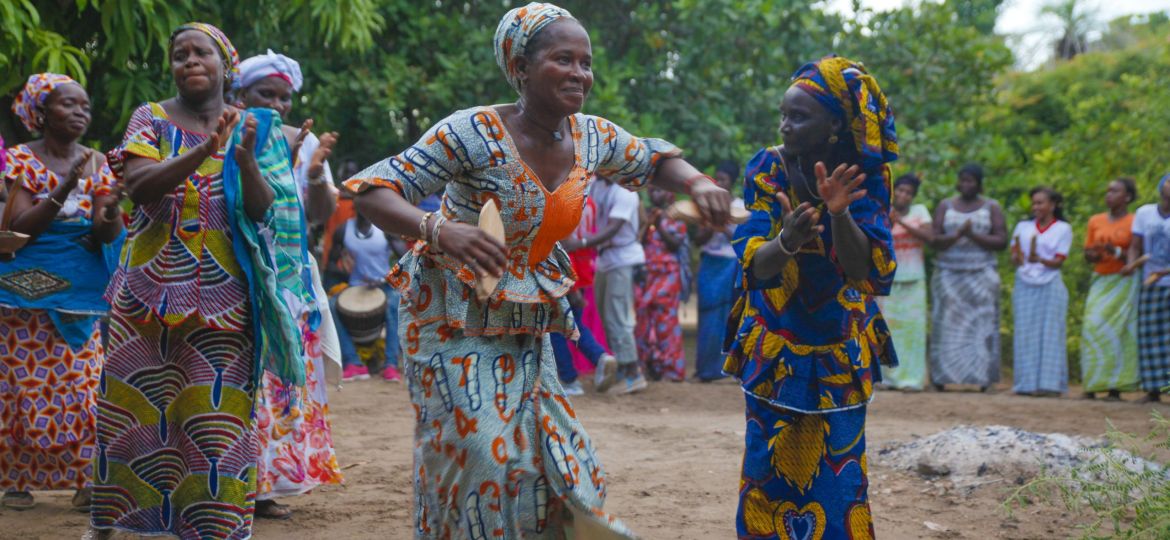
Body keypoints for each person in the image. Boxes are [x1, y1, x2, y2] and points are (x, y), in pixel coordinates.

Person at [345, 4, 731, 537]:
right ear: (521, 67)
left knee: (554, 455)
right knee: (481, 451)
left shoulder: (592, 137)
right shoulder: (471, 132)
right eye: (563, 59)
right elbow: (373, 191)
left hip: (524, 317)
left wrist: (700, 184)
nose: (579, 73)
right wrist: (439, 229)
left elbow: (652, 159)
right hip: (448, 312)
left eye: (586, 62)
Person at [92, 23, 313, 539]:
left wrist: (242, 161)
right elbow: (139, 186)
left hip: (227, 297)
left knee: (217, 420)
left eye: (202, 53)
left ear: (225, 64)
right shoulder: (150, 118)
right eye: (179, 55)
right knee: (132, 412)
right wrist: (202, 151)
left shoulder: (257, 126)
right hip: (145, 295)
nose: (190, 61)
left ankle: (217, 527)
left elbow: (264, 211)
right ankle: (119, 522)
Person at [725, 55, 898, 539]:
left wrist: (839, 213)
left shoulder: (868, 175)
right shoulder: (767, 167)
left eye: (798, 116)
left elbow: (868, 273)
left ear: (835, 125)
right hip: (776, 345)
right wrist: (786, 241)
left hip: (839, 347)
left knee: (841, 477)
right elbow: (754, 267)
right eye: (782, 113)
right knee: (766, 472)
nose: (785, 125)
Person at [0, 73, 123, 511]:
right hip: (20, 299)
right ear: (40, 112)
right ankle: (16, 482)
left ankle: (86, 479)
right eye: (67, 104)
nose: (79, 113)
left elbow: (104, 234)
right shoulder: (18, 161)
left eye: (84, 106)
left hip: (79, 296)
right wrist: (66, 186)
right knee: (20, 388)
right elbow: (20, 229)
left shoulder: (99, 163)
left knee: (83, 386)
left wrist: (113, 210)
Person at [233, 49, 344, 519]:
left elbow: (319, 215)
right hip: (239, 274)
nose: (278, 105)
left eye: (284, 96)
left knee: (281, 381)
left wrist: (315, 173)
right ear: (239, 95)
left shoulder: (302, 138)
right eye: (266, 94)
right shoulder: (228, 133)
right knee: (245, 376)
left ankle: (267, 482)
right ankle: (232, 480)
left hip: (292, 281)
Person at [928, 164, 1009, 391]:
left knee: (982, 325)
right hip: (948, 275)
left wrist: (973, 235)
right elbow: (933, 240)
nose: (966, 185)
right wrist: (957, 235)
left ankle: (984, 379)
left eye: (971, 181)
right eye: (963, 180)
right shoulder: (945, 205)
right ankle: (941, 377)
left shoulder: (992, 207)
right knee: (946, 324)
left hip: (981, 274)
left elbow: (1001, 241)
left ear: (979, 183)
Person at [1080, 178, 1140, 401]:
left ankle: (1115, 388)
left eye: (1115, 191)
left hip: (1124, 280)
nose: (1109, 195)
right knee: (1091, 327)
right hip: (1101, 279)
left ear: (1127, 197)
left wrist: (1115, 252)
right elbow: (1088, 253)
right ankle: (1092, 385)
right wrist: (1093, 254)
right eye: (1108, 190)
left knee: (1118, 332)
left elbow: (1135, 254)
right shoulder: (1095, 220)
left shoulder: (1135, 221)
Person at [327, 212, 406, 382]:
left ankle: (390, 365)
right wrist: (344, 273)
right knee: (331, 306)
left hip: (383, 285)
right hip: (355, 286)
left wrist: (385, 278)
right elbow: (331, 265)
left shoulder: (385, 228)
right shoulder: (343, 230)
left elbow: (406, 259)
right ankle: (352, 362)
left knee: (394, 304)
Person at [588, 174, 649, 393]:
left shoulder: (625, 191)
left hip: (623, 259)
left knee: (618, 318)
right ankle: (623, 369)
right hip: (606, 259)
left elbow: (613, 227)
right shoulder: (595, 185)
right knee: (607, 318)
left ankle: (633, 373)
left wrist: (581, 243)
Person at [1010, 187, 1072, 396]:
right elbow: (1015, 255)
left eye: (1040, 203)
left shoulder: (1063, 229)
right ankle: (1026, 384)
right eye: (1034, 203)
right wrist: (1018, 258)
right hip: (1025, 282)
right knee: (1025, 332)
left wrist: (1040, 260)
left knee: (1051, 332)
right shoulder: (1023, 227)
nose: (1036, 207)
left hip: (1050, 283)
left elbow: (1058, 262)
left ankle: (1050, 384)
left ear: (1052, 205)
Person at [551, 192, 616, 395]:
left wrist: (572, 286)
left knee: (556, 327)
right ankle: (599, 358)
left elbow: (562, 244)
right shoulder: (591, 202)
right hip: (583, 269)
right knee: (573, 323)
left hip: (566, 271)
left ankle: (570, 379)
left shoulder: (563, 201)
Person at [876, 173, 932, 390]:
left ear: (913, 196)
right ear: (893, 190)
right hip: (887, 280)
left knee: (913, 332)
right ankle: (887, 379)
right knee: (887, 329)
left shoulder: (920, 212)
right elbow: (877, 239)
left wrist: (901, 223)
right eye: (900, 190)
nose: (903, 195)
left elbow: (930, 237)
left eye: (908, 192)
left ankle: (911, 380)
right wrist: (890, 223)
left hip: (914, 279)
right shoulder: (882, 211)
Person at [693, 159, 743, 382]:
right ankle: (705, 369)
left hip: (730, 265)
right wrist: (709, 225)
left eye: (723, 179)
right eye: (717, 179)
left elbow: (742, 241)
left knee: (729, 316)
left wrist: (722, 228)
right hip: (710, 263)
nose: (719, 183)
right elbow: (698, 240)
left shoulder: (741, 207)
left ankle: (725, 369)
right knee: (707, 313)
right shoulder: (705, 205)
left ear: (732, 182)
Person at [634, 186, 688, 381]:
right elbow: (637, 243)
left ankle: (671, 370)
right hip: (647, 273)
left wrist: (660, 225)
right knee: (644, 318)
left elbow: (675, 244)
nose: (656, 194)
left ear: (669, 193)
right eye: (653, 191)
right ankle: (650, 365)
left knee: (666, 321)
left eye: (660, 190)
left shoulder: (677, 215)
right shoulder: (645, 215)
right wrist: (647, 225)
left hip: (668, 273)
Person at [1130, 175, 1170, 403]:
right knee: (1149, 336)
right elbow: (1135, 247)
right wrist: (1132, 263)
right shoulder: (1145, 213)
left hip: (1165, 278)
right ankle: (1153, 388)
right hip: (1150, 283)